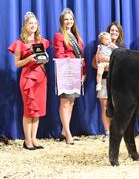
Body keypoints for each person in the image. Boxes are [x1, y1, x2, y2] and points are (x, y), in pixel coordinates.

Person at [8, 11, 51, 150]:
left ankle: (34, 139)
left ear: (37, 25)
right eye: (30, 23)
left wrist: (45, 59)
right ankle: (27, 141)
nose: (33, 25)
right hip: (27, 79)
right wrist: (28, 59)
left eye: (34, 23)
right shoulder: (20, 43)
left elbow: (44, 58)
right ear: (25, 26)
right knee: (29, 110)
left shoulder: (42, 41)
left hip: (41, 77)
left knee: (37, 110)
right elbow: (17, 64)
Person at [53, 8, 87, 145]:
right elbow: (59, 55)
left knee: (71, 103)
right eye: (66, 19)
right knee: (65, 103)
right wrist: (72, 63)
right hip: (65, 73)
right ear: (62, 21)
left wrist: (83, 72)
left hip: (76, 73)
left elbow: (82, 56)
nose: (69, 21)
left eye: (71, 19)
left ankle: (63, 131)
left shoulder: (76, 36)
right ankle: (68, 134)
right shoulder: (59, 36)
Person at [92, 21, 128, 142]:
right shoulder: (101, 46)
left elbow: (124, 63)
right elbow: (95, 63)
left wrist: (107, 59)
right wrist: (103, 65)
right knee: (105, 106)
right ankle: (108, 132)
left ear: (119, 33)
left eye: (116, 31)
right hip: (103, 79)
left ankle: (118, 132)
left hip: (118, 81)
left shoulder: (122, 46)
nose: (114, 33)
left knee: (118, 106)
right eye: (112, 30)